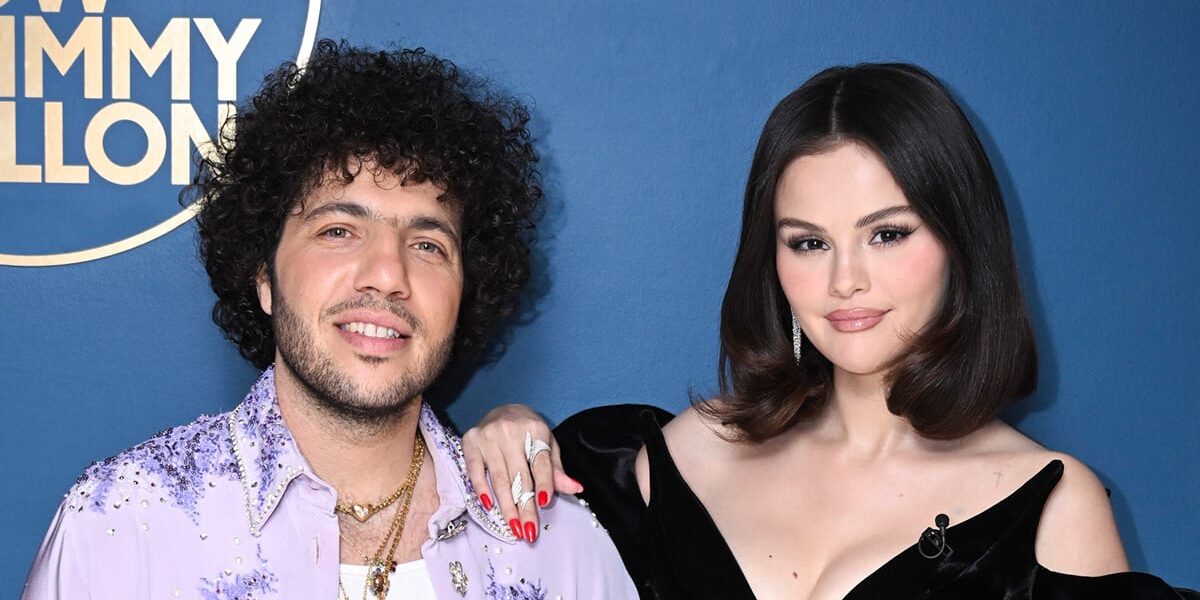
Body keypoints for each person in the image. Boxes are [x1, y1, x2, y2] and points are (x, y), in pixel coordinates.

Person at [462, 63, 1200, 599]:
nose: (845, 279)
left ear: (960, 242)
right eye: (809, 242)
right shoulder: (666, 459)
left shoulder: (1049, 506)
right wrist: (510, 428)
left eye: (887, 234)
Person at [21, 39, 636, 600]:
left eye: (427, 245)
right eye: (338, 231)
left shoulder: (559, 547)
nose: (387, 275)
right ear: (264, 276)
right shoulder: (121, 527)